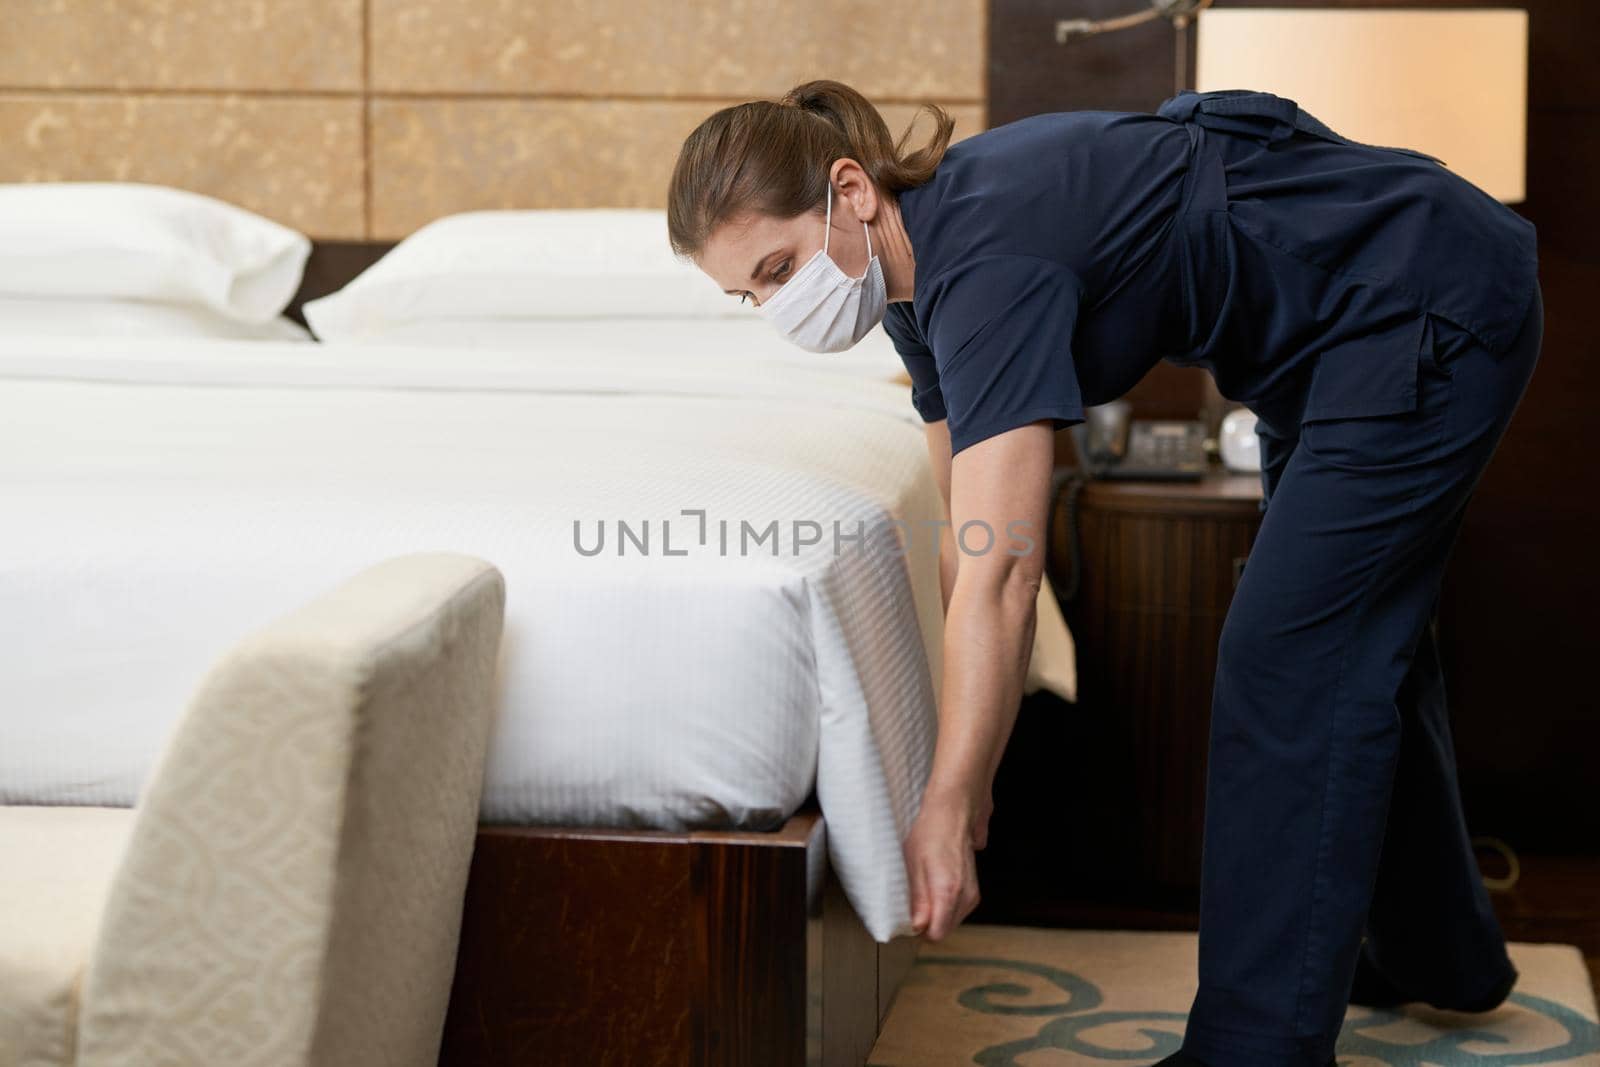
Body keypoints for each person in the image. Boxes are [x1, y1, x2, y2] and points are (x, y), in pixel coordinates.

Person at [666, 79, 1542, 1067]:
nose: (779, 307)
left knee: (1287, 657)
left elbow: (1005, 569)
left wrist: (952, 797)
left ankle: (1257, 1047)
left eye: (780, 267)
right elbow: (966, 533)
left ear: (852, 190)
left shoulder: (986, 260)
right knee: (1357, 637)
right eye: (750, 293)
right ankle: (1434, 950)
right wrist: (970, 754)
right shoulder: (914, 290)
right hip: (1332, 350)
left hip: (1418, 306)